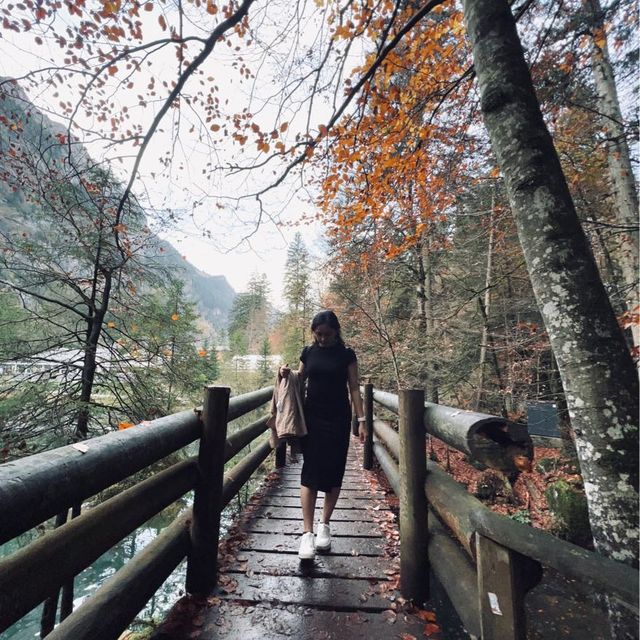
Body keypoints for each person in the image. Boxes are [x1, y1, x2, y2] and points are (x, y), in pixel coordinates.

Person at [279, 310, 366, 560]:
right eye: (318, 334)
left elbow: (354, 388)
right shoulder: (308, 352)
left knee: (334, 470)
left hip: (338, 420)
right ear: (313, 333)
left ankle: (324, 525)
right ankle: (307, 534)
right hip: (312, 419)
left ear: (336, 331)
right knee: (311, 470)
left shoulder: (347, 355)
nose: (322, 339)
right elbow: (300, 379)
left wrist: (361, 421)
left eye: (327, 334)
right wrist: (286, 374)